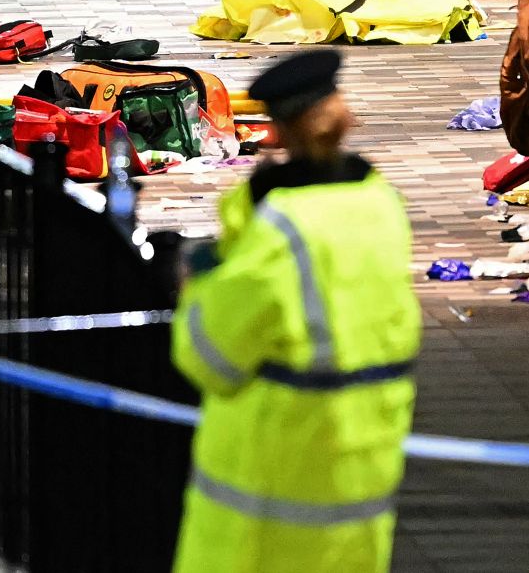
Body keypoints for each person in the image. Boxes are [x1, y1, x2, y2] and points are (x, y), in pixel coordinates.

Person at [169, 49, 421, 573]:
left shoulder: (282, 229)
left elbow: (209, 356)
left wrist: (201, 279)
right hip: (363, 470)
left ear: (278, 132)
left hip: (271, 486)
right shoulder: (380, 202)